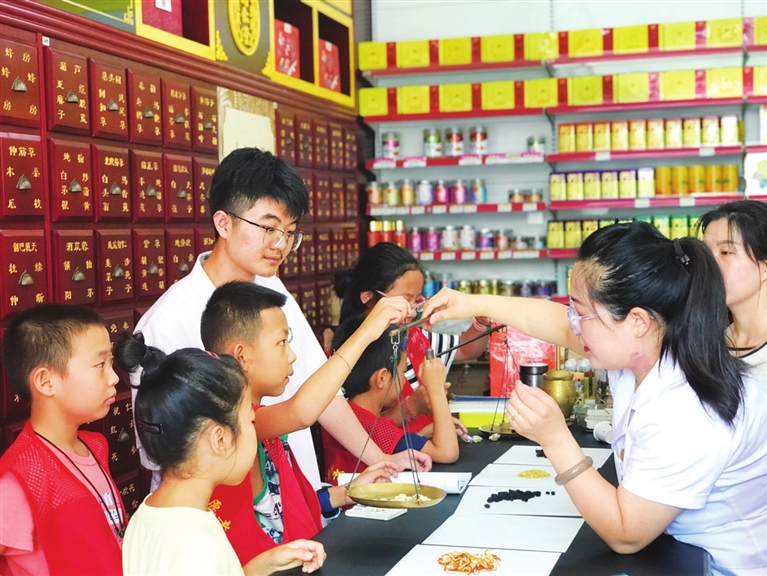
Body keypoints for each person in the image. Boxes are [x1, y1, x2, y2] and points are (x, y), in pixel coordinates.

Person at [424, 221, 767, 576]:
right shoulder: (646, 349)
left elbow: (626, 534)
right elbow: (556, 323)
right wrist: (474, 303)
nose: (573, 324)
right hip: (673, 552)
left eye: (582, 312)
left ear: (637, 321)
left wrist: (555, 439)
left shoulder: (689, 411)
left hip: (718, 567)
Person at [132, 148, 429, 491]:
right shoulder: (168, 322)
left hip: (295, 498)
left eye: (290, 232)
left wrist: (380, 459)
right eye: (269, 228)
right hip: (223, 509)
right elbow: (167, 450)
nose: (280, 245)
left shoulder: (270, 286)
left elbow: (322, 390)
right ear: (223, 223)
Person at [199, 282, 402, 563]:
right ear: (242, 356)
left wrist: (349, 492)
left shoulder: (261, 424)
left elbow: (290, 509)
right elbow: (302, 411)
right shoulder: (235, 425)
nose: (292, 355)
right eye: (282, 342)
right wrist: (367, 332)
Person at [114, 333, 325, 576]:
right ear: (220, 439)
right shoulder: (199, 547)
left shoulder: (148, 515)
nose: (254, 430)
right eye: (251, 420)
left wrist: (265, 564)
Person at [0, 304, 125, 576]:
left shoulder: (95, 446)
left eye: (111, 362)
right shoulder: (19, 478)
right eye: (100, 364)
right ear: (46, 382)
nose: (114, 377)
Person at [335, 242, 486, 430]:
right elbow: (354, 430)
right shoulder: (350, 353)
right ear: (367, 297)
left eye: (417, 301)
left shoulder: (412, 336)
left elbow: (465, 349)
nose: (413, 312)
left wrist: (481, 322)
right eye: (405, 300)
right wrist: (412, 407)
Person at [322, 314, 460, 479]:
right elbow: (447, 453)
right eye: (402, 373)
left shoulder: (339, 416)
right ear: (382, 379)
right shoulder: (376, 428)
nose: (404, 380)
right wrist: (436, 389)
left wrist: (421, 435)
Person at [701, 200, 767, 391]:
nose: (709, 264)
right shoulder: (704, 343)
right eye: (706, 252)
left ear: (764, 268)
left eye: (726, 252)